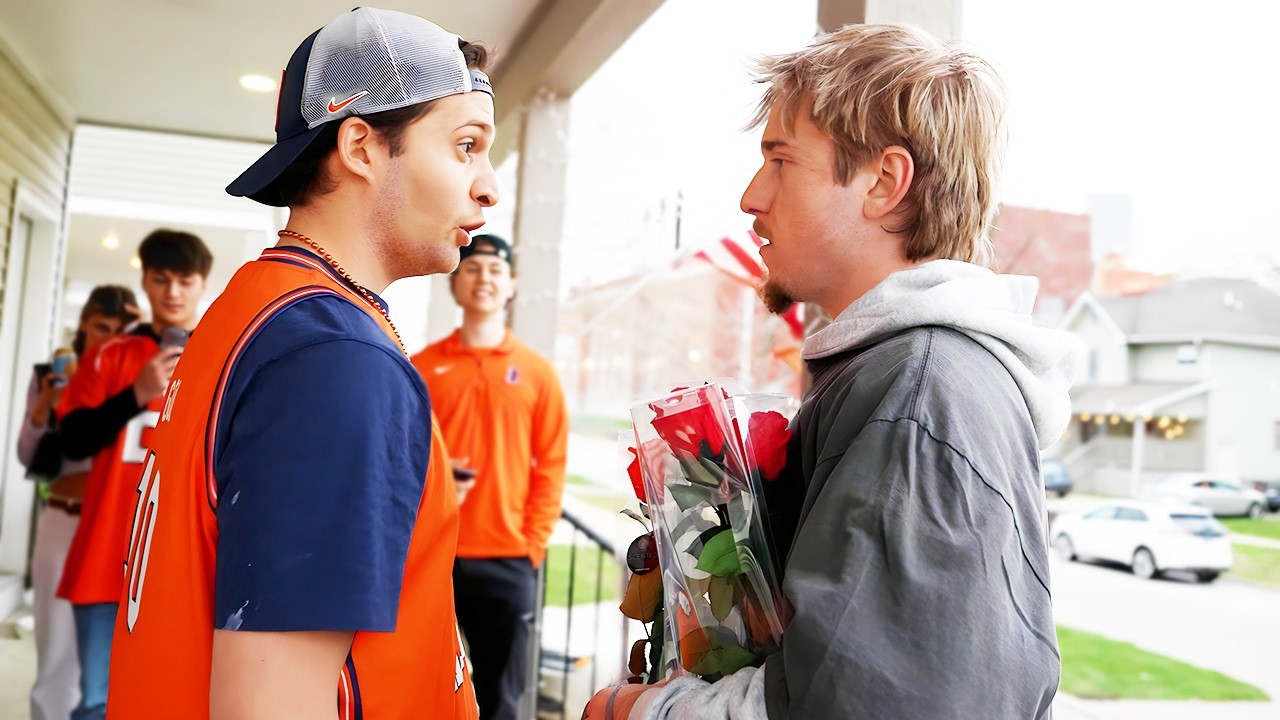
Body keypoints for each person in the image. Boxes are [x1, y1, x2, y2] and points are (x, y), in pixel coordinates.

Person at [585, 23, 1082, 719]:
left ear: (884, 182)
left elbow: (867, 703)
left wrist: (635, 711)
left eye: (781, 160)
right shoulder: (902, 374)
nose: (752, 196)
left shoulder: (918, 393)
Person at [106, 8, 496, 719]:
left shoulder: (260, 304)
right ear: (361, 147)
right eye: (466, 145)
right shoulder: (333, 357)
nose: (488, 186)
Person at [410, 234, 568, 720]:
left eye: (496, 271)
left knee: (502, 699)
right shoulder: (419, 368)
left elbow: (551, 465)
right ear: (455, 282)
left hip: (508, 558)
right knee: (422, 685)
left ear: (512, 284)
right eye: (473, 269)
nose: (484, 279)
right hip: (432, 551)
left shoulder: (537, 373)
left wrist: (532, 545)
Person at [55, 231, 210, 720]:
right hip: (105, 555)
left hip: (182, 563)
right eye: (161, 279)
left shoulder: (219, 353)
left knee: (172, 703)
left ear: (202, 283)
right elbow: (71, 441)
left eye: (185, 280)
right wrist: (133, 396)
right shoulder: (111, 353)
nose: (173, 292)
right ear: (144, 281)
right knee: (97, 704)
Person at [16, 285, 137, 720]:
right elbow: (28, 456)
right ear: (84, 324)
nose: (109, 338)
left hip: (115, 526)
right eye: (101, 327)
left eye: (120, 330)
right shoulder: (53, 375)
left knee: (109, 651)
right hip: (65, 520)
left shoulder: (136, 377)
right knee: (56, 649)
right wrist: (42, 413)